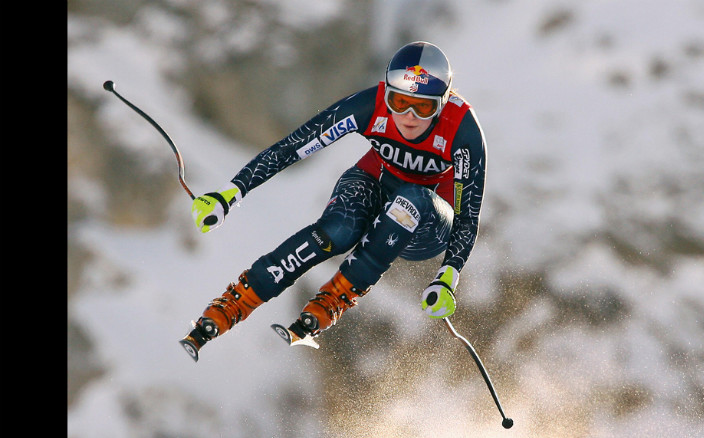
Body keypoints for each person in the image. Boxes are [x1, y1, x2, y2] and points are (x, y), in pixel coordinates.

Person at [179, 41, 487, 362]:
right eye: (399, 101)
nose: (408, 117)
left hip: (427, 227)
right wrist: (231, 193)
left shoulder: (463, 129)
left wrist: (448, 276)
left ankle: (335, 297)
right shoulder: (370, 105)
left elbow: (468, 215)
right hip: (378, 186)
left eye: (422, 107)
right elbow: (293, 147)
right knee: (339, 228)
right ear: (386, 93)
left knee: (413, 197)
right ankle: (236, 302)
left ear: (443, 102)